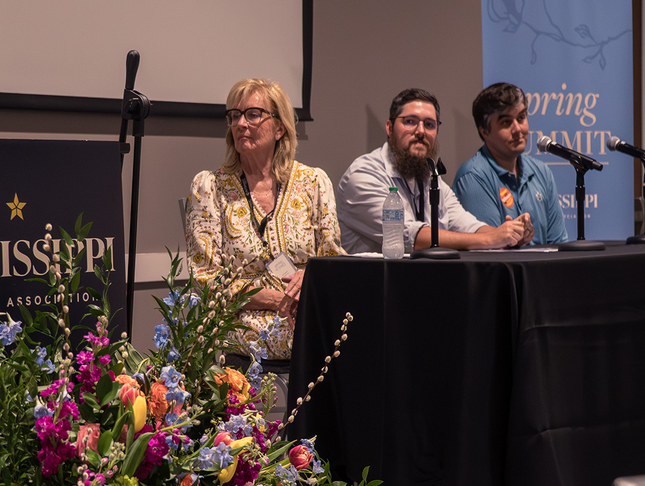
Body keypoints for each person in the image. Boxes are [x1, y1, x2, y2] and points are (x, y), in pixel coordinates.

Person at [184, 79, 344, 361]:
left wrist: (310, 279)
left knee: (352, 331)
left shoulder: (314, 182)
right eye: (235, 116)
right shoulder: (210, 186)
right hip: (242, 318)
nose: (241, 124)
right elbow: (205, 279)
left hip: (307, 309)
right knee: (324, 340)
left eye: (253, 114)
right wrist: (272, 299)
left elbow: (333, 260)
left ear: (280, 127)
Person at [336, 88, 530, 253]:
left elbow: (466, 225)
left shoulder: (430, 177)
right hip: (372, 290)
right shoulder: (363, 175)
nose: (421, 131)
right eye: (410, 121)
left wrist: (509, 234)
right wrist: (492, 239)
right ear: (389, 127)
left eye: (429, 124)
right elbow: (411, 236)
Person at [453, 83, 569, 245]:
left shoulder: (541, 171)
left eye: (521, 118)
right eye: (506, 122)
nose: (517, 129)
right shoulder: (474, 176)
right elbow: (490, 251)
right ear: (485, 132)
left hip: (543, 269)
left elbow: (558, 245)